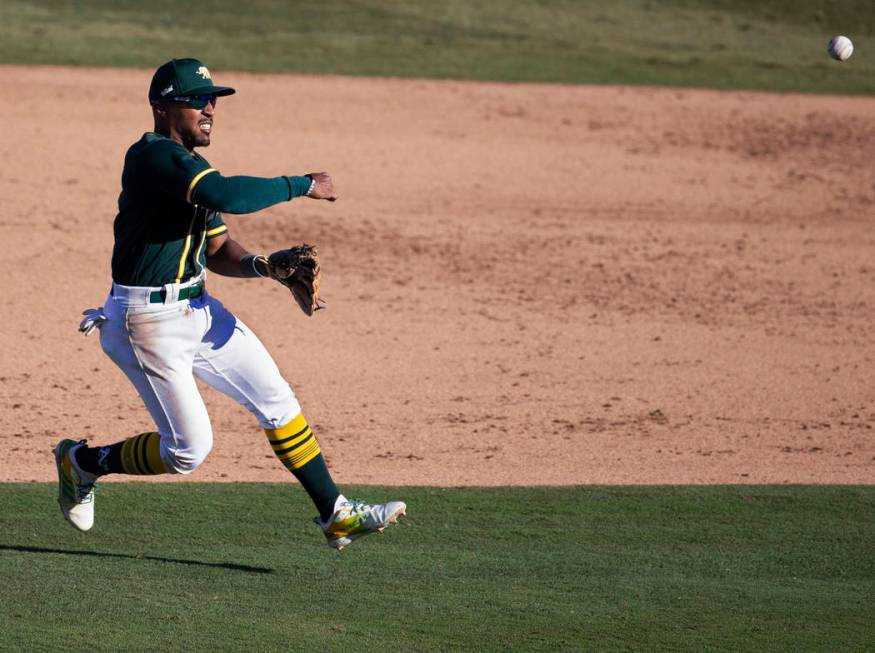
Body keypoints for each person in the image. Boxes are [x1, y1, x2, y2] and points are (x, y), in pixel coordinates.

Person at [53, 57, 405, 550]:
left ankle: (336, 514)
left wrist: (266, 267)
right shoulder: (152, 157)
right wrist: (301, 184)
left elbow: (217, 250)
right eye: (196, 99)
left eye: (213, 99)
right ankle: (82, 463)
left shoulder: (191, 170)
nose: (209, 107)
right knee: (188, 452)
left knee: (276, 399)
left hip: (198, 310)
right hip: (145, 322)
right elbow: (226, 194)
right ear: (162, 108)